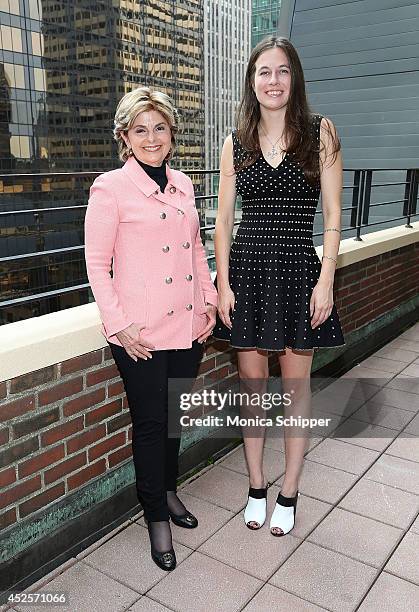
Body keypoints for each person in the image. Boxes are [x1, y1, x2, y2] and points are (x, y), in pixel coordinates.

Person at [213, 36, 345, 537]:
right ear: (252, 81)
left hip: (299, 271)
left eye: (283, 71)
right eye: (264, 71)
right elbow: (223, 224)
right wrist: (223, 284)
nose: (274, 81)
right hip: (247, 273)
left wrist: (326, 277)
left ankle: (289, 491)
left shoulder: (321, 133)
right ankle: (255, 485)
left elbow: (332, 216)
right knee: (252, 388)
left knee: (294, 390)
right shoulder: (234, 142)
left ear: (296, 78)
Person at [84, 87, 217, 571]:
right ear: (125, 137)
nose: (151, 137)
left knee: (175, 417)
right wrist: (119, 326)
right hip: (138, 333)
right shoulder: (109, 188)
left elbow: (196, 250)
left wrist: (209, 300)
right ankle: (155, 516)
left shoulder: (183, 184)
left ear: (172, 134)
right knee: (151, 424)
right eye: (140, 129)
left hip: (187, 324)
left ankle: (169, 491)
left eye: (159, 127)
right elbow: (97, 265)